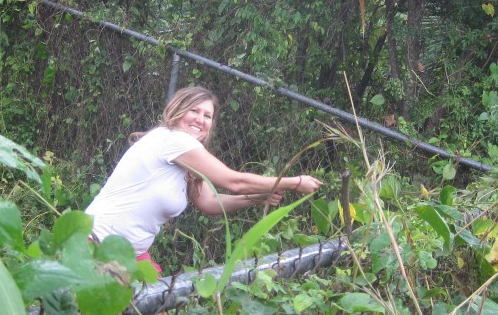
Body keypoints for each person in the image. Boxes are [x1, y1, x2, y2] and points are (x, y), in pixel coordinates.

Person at [85, 86, 323, 273]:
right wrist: (294, 181)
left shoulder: (187, 160)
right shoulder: (173, 140)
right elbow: (233, 181)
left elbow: (209, 203)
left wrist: (257, 198)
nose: (201, 119)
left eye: (207, 115)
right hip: (98, 242)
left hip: (132, 253)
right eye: (194, 111)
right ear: (178, 111)